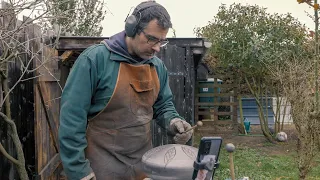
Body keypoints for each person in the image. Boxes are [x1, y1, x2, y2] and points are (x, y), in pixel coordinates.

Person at [58, 1, 193, 180]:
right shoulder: (94, 60)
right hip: (100, 168)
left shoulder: (157, 67)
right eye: (152, 39)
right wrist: (78, 171)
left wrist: (173, 122)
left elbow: (163, 105)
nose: (157, 48)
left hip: (143, 166)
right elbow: (71, 120)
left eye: (161, 41)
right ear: (131, 28)